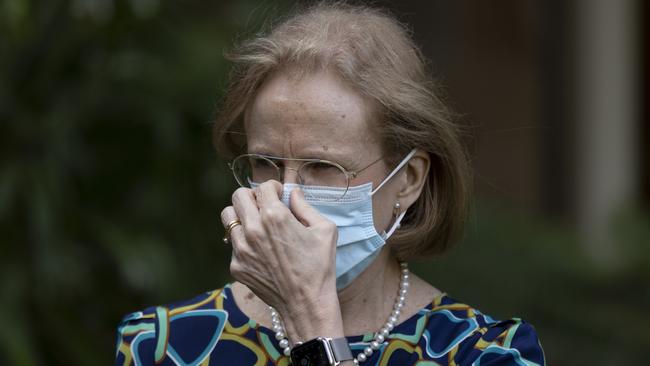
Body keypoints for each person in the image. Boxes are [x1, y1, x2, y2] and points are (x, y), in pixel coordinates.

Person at [114, 3, 545, 365]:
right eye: (265, 162)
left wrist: (313, 326)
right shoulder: (161, 346)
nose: (287, 195)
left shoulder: (484, 352)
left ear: (409, 180)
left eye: (323, 167)